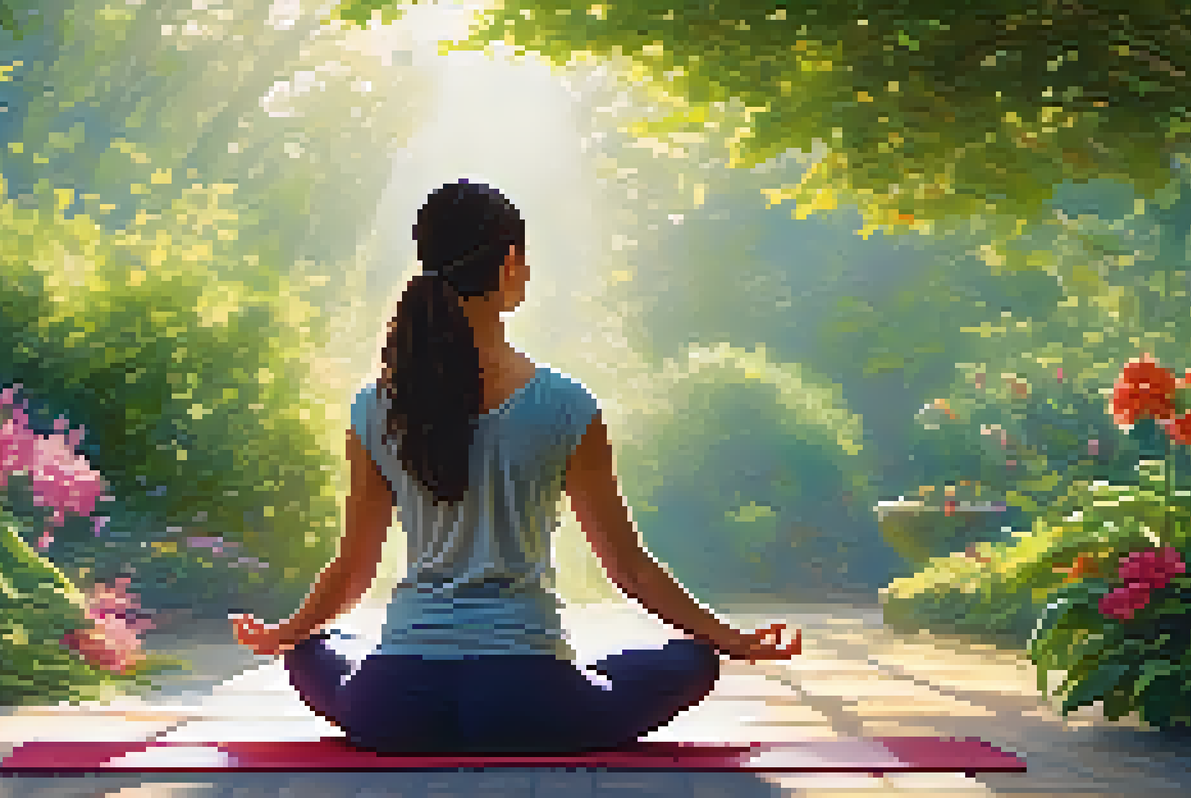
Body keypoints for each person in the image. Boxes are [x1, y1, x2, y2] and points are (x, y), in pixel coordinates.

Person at [231, 179, 802, 753]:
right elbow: (629, 569)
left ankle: (359, 666)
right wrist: (732, 639)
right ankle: (581, 679)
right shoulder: (566, 407)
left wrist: (286, 633)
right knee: (690, 660)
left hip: (395, 707)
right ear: (510, 264)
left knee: (314, 650)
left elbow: (353, 570)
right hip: (529, 703)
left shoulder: (375, 406)